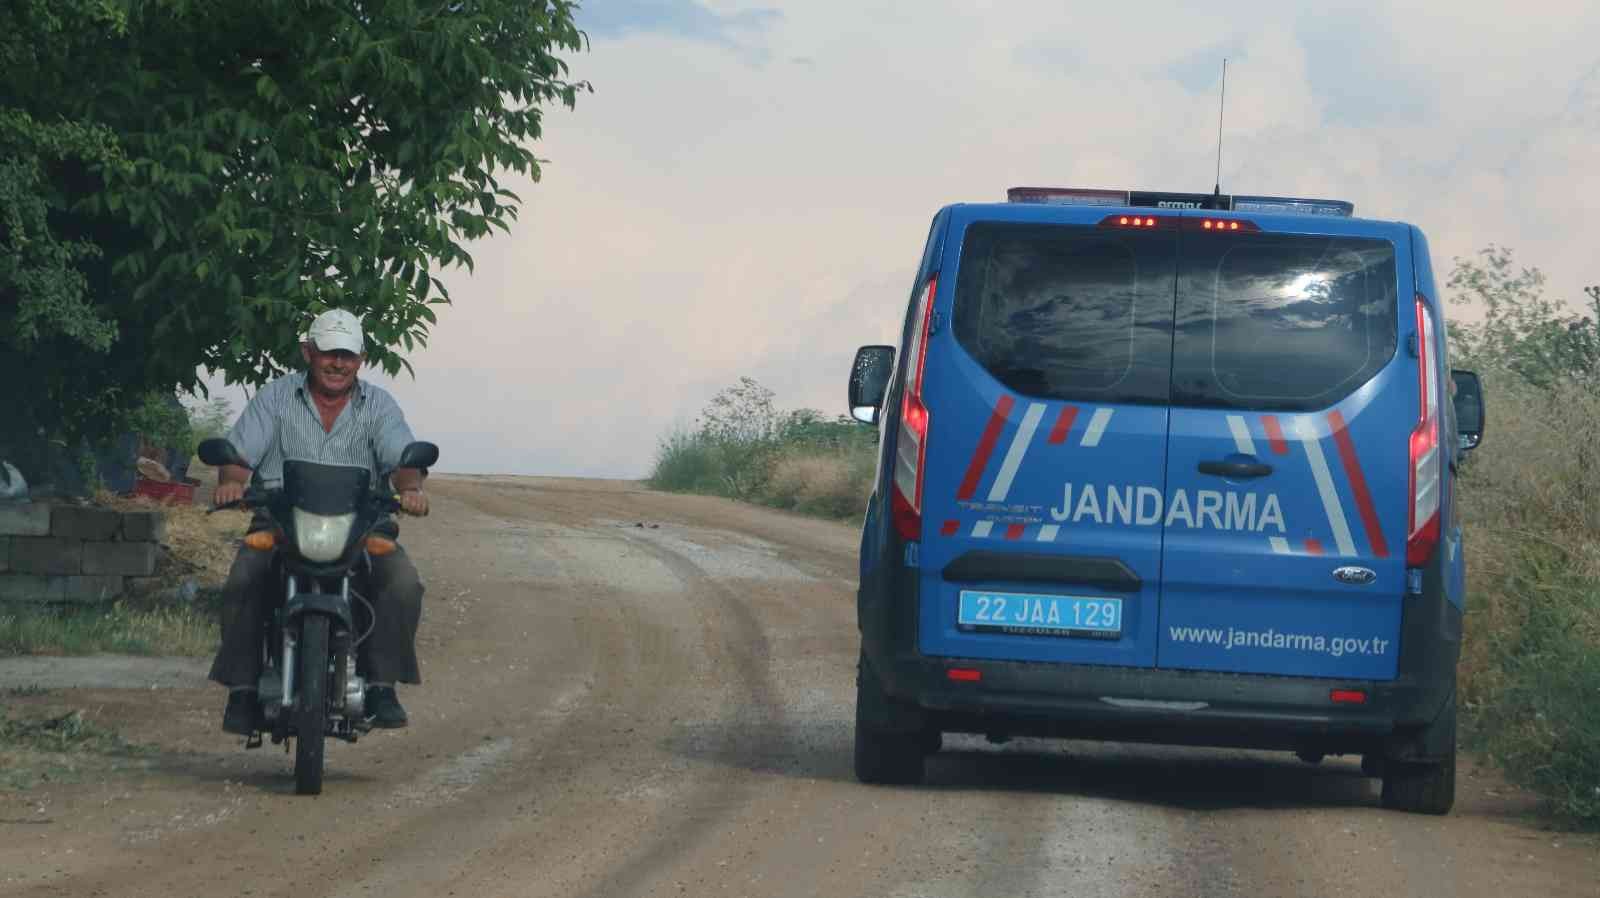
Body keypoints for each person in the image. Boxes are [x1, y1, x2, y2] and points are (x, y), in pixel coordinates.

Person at [209, 309, 430, 734]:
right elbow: (237, 459)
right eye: (329, 353)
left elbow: (401, 458)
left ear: (361, 358)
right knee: (244, 577)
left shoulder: (379, 405)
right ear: (309, 352)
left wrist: (411, 488)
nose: (337, 363)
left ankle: (382, 684)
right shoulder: (275, 397)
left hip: (362, 525)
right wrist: (232, 483)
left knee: (402, 580)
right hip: (280, 521)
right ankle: (242, 689)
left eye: (347, 355)